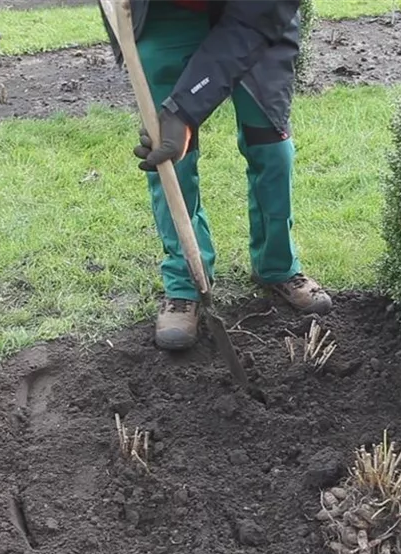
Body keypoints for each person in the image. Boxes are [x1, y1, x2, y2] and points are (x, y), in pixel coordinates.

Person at [99, 0, 331, 351]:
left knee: (271, 145)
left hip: (258, 13)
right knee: (169, 151)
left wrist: (185, 108)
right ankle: (185, 282)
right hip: (166, 12)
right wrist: (177, 118)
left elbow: (258, 16)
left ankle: (277, 265)